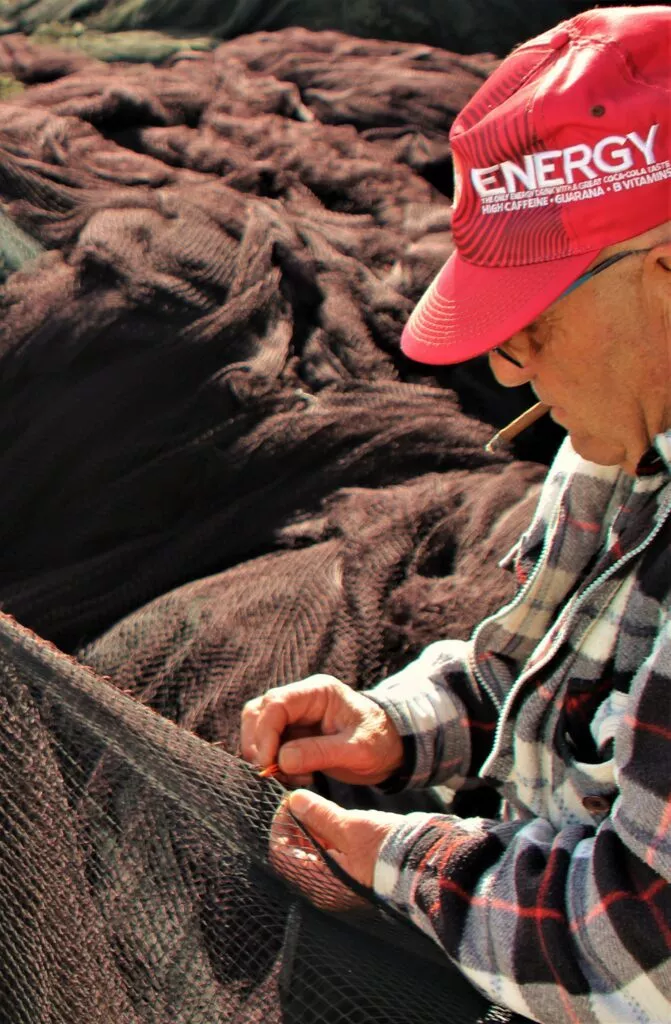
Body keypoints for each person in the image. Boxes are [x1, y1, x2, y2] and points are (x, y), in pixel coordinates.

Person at [241, 7, 671, 1022]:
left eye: (529, 319)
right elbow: (522, 676)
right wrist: (394, 726)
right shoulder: (610, 447)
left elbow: (637, 942)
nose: (502, 364)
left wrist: (398, 858)